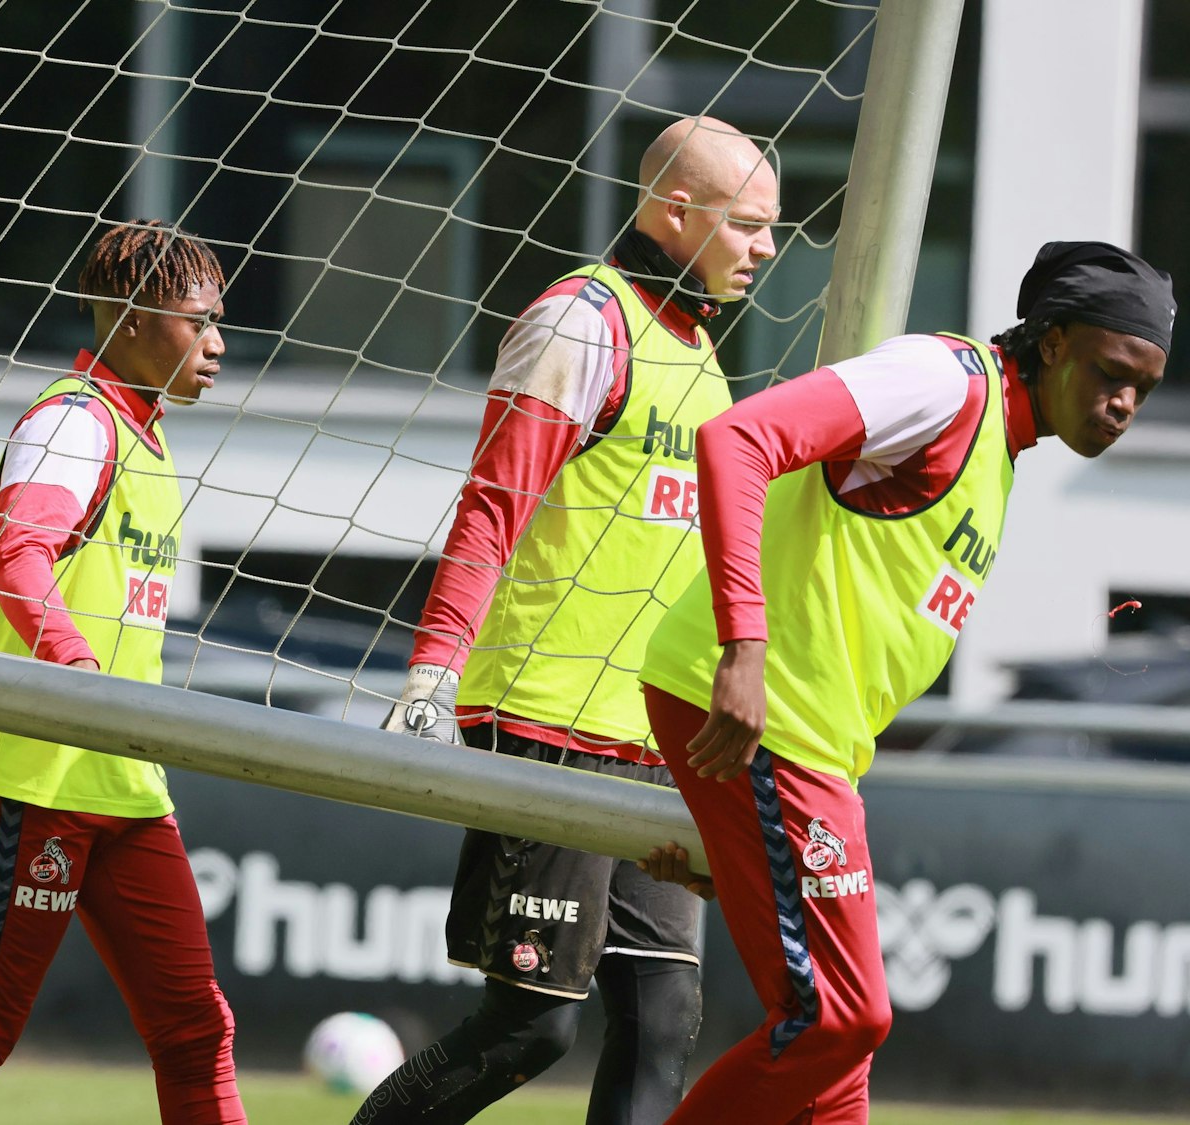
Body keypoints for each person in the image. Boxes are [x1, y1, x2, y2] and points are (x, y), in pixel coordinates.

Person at [637, 241, 1174, 1124]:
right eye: (1113, 371)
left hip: (818, 755)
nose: (1123, 405)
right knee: (841, 1017)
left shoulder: (1000, 454)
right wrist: (745, 643)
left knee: (838, 1075)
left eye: (1143, 391)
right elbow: (737, 437)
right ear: (1053, 341)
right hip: (764, 722)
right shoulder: (945, 381)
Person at [357, 117, 777, 1125]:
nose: (766, 249)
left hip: (651, 743)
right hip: (546, 724)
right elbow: (490, 504)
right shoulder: (581, 321)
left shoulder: (700, 355)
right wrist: (431, 672)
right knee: (529, 1027)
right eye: (750, 226)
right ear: (675, 211)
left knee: (660, 1020)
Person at [0, 220, 245, 1125]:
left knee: (197, 1030)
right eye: (197, 321)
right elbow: (21, 557)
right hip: (36, 775)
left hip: (122, 778)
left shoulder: (150, 438)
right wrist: (80, 674)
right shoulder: (72, 421)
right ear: (130, 320)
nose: (217, 343)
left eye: (219, 321)